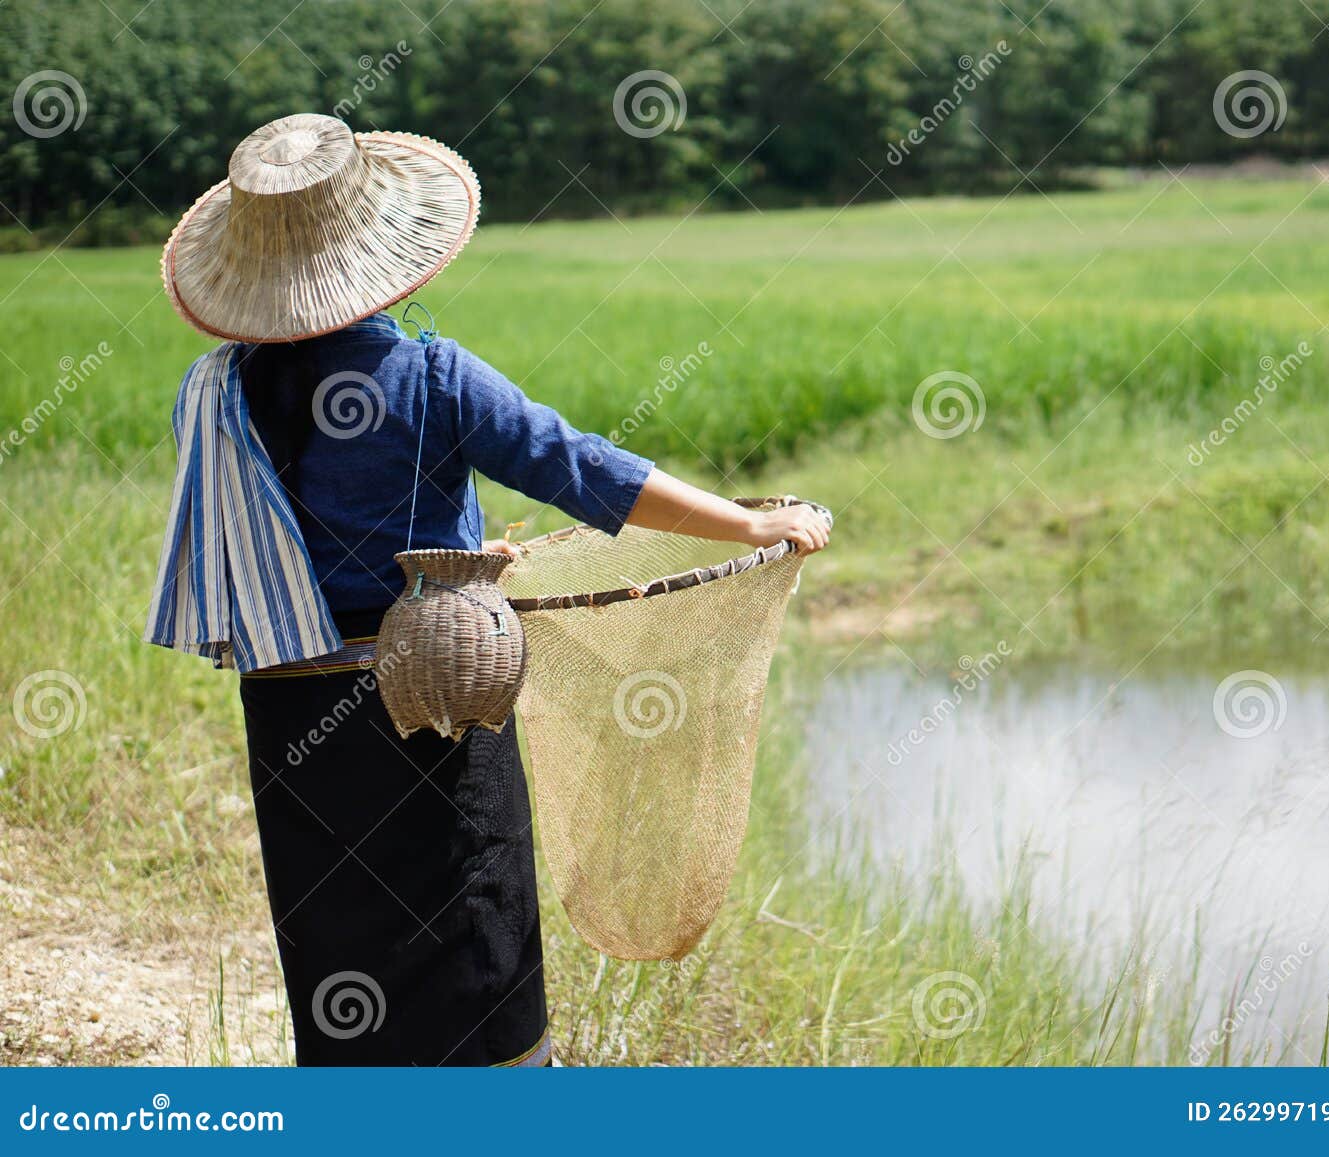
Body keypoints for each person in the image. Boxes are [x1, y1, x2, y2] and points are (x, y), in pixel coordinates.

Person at [144, 113, 829, 1066]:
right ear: (388, 253)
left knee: (335, 919)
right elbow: (582, 468)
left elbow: (289, 538)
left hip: (292, 708)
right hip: (438, 694)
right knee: (470, 912)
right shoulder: (431, 375)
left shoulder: (214, 395)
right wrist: (753, 524)